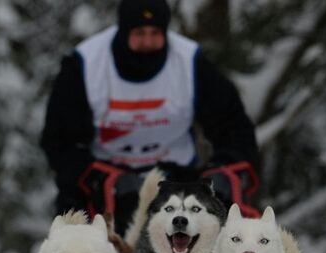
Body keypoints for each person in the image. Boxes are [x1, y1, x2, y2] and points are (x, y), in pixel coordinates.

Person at [41, 0, 259, 235]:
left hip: (177, 179)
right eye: (139, 33)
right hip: (103, 181)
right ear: (124, 31)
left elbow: (234, 126)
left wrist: (224, 169)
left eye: (155, 33)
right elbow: (58, 140)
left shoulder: (189, 62)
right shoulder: (85, 65)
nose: (147, 42)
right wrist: (95, 176)